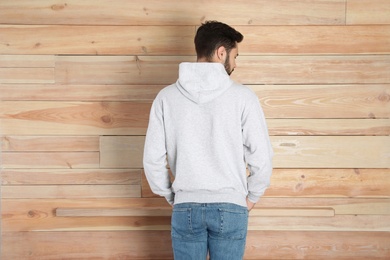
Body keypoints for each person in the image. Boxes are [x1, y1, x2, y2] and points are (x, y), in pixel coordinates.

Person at [143, 21, 273, 260]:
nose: (234, 64)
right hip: (231, 206)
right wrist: (251, 197)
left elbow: (152, 159)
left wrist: (173, 196)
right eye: (235, 56)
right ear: (221, 52)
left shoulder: (166, 98)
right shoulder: (243, 97)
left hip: (186, 206)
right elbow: (261, 157)